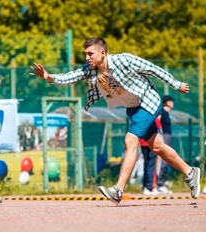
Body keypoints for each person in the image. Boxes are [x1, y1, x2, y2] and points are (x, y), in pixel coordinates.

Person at [30, 37, 200, 205]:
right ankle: (190, 171)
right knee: (157, 147)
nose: (87, 57)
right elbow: (70, 77)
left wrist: (176, 84)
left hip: (147, 101)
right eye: (86, 54)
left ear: (102, 53)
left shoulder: (124, 60)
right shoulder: (90, 69)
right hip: (133, 109)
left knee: (130, 141)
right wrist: (48, 77)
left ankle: (118, 190)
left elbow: (153, 69)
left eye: (90, 54)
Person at [157, 95, 175, 194]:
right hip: (164, 136)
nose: (173, 103)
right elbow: (157, 122)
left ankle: (161, 183)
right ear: (167, 102)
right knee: (163, 160)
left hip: (168, 136)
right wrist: (159, 135)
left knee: (167, 160)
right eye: (171, 101)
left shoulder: (167, 113)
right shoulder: (162, 112)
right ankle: (159, 184)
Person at [140, 118, 162, 195]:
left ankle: (146, 186)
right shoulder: (154, 118)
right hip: (151, 144)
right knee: (151, 165)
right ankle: (149, 187)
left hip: (143, 143)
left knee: (146, 165)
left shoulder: (142, 118)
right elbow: (158, 128)